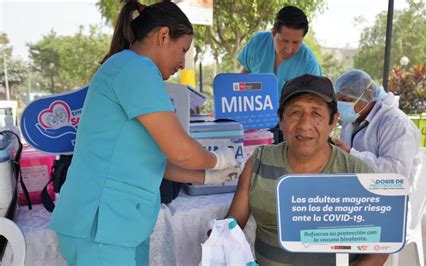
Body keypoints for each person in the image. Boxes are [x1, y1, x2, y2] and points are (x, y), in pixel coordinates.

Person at [49, 1, 237, 265]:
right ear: (163, 36)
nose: (182, 63)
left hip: (116, 226)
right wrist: (220, 159)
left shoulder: (129, 68)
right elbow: (181, 150)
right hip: (101, 226)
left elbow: (152, 162)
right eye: (182, 50)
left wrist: (207, 177)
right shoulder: (135, 68)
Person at [225, 74, 388, 265]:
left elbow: (380, 245)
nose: (305, 125)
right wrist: (218, 241)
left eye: (316, 113)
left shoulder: (356, 173)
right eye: (295, 112)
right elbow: (231, 226)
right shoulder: (259, 163)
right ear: (281, 120)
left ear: (333, 121)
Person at [331, 69, 422, 192]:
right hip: (356, 196)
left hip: (389, 202)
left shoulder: (396, 123)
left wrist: (351, 155)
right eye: (338, 100)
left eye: (347, 100)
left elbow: (397, 176)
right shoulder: (352, 121)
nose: (341, 105)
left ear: (368, 96)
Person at [238, 6, 323, 92]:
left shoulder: (310, 65)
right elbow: (244, 76)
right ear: (274, 33)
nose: (289, 49)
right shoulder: (257, 43)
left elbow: (313, 101)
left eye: (295, 42)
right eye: (284, 41)